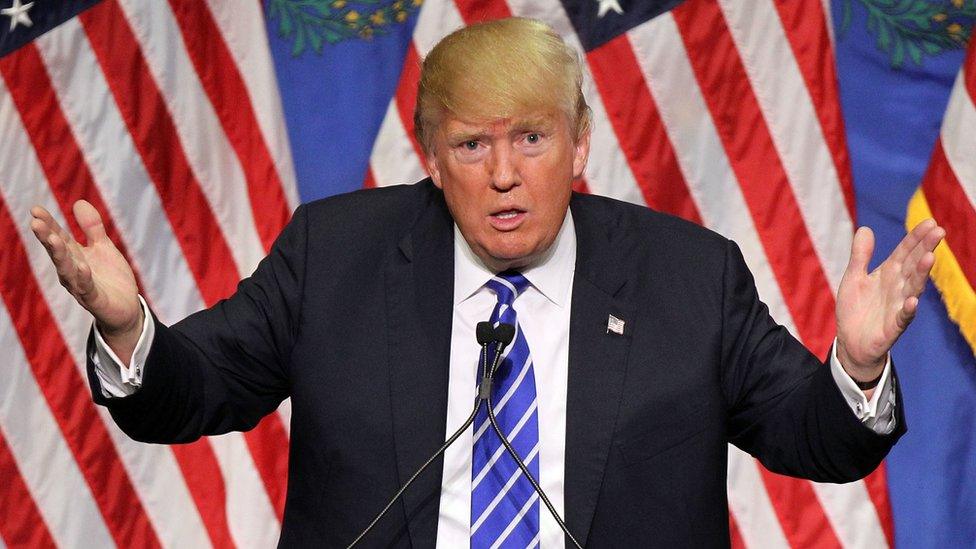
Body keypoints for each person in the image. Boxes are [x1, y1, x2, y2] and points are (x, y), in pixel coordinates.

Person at [30, 17, 943, 548]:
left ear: (580, 144)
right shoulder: (335, 255)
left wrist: (855, 368)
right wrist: (128, 328)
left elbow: (812, 437)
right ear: (432, 157)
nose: (505, 174)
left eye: (532, 139)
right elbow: (196, 393)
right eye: (472, 144)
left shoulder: (687, 275)